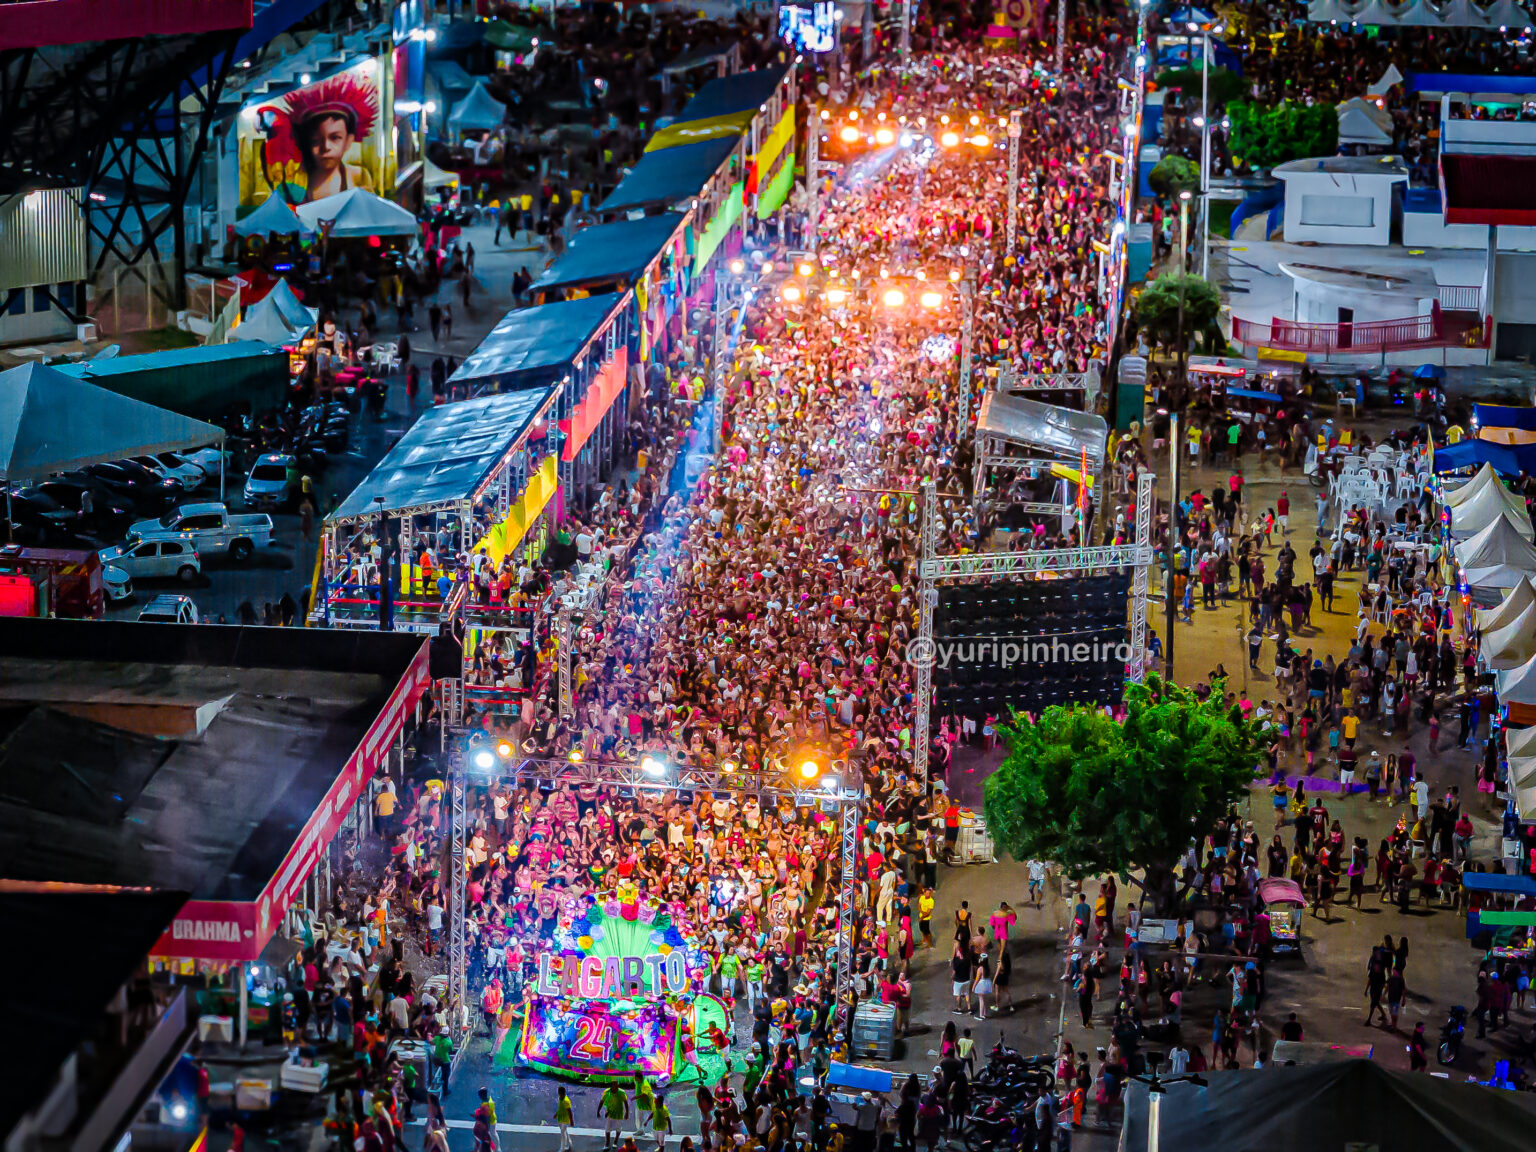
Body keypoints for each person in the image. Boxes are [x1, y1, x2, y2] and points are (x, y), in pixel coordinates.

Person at [600, 1081, 629, 1149]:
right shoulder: (607, 1092)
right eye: (614, 1085)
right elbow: (602, 1101)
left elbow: (625, 1102)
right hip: (609, 1113)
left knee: (618, 1129)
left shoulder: (621, 1092)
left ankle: (615, 1141)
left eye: (616, 1085)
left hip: (618, 1114)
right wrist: (598, 1111)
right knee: (607, 1129)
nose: (616, 1087)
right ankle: (607, 1144)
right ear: (611, 1086)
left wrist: (627, 1113)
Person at [554, 1086, 575, 1152]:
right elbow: (560, 1108)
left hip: (565, 1120)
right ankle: (568, 1144)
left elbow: (570, 1111)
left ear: (562, 1093)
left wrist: (571, 1121)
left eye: (559, 1092)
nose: (558, 1093)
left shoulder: (566, 1101)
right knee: (564, 1132)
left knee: (563, 1133)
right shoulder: (560, 1098)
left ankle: (562, 1148)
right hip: (560, 1118)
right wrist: (556, 1114)